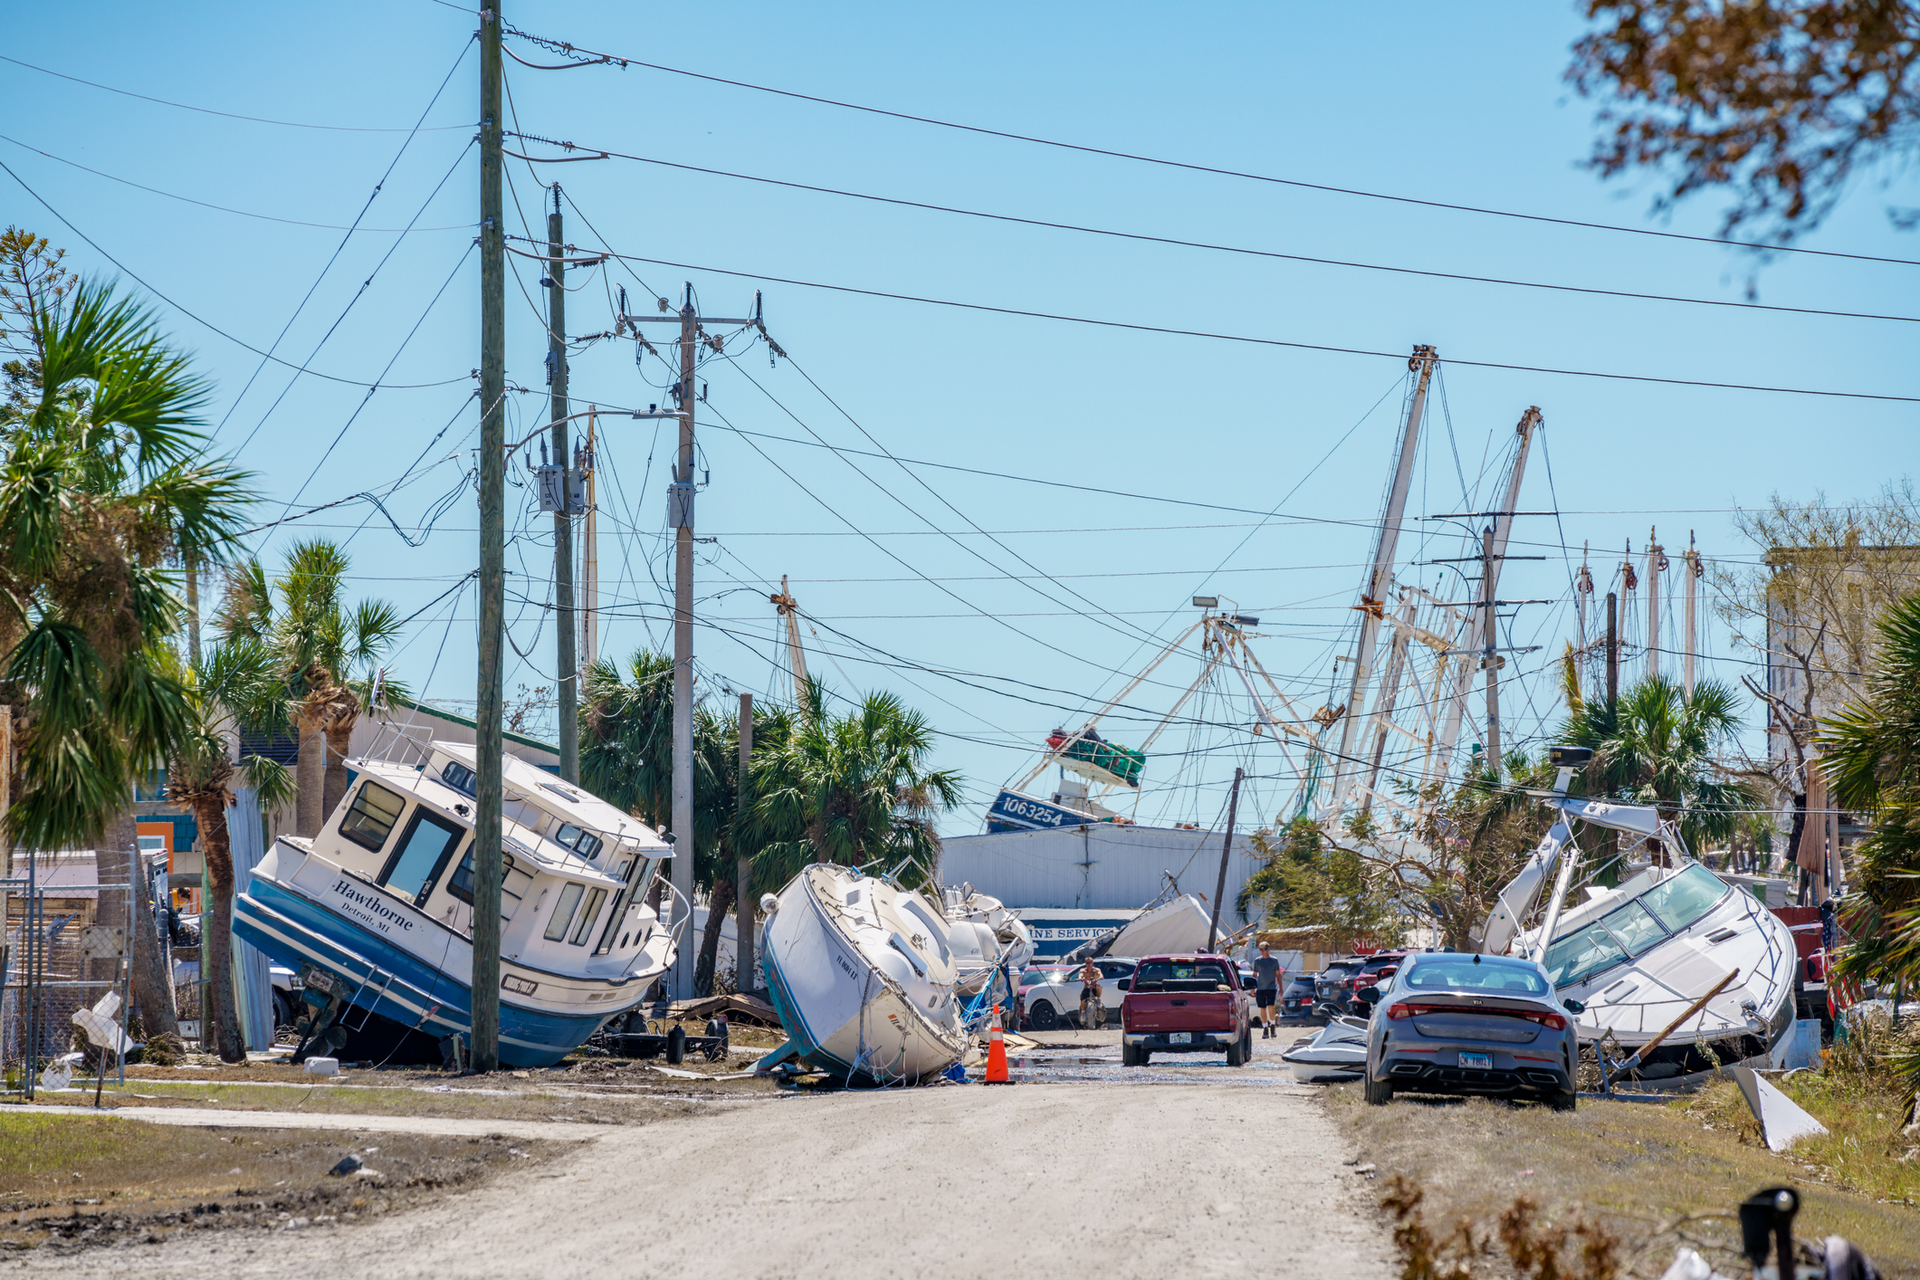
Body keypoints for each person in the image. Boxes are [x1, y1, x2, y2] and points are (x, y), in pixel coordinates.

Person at [1251, 941, 1282, 1038]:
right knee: (1262, 1008)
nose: (1262, 951)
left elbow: (1278, 974)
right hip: (1261, 988)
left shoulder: (1274, 960)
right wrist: (1252, 987)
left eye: (1263, 949)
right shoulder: (1257, 961)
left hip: (1271, 987)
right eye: (1260, 949)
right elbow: (1254, 975)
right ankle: (1265, 1028)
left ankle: (1272, 1025)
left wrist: (1281, 987)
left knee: (1271, 1006)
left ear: (1268, 949)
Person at [1078, 956, 1104, 1028]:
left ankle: (1098, 999)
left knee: (1099, 986)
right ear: (1085, 963)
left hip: (1094, 987)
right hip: (1087, 988)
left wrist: (1100, 977)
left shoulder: (1096, 970)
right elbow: (1080, 975)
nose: (1088, 964)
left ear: (1092, 963)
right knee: (1082, 998)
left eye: (1090, 962)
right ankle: (1083, 1012)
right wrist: (1080, 978)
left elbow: (1100, 974)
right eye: (1087, 963)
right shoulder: (1083, 970)